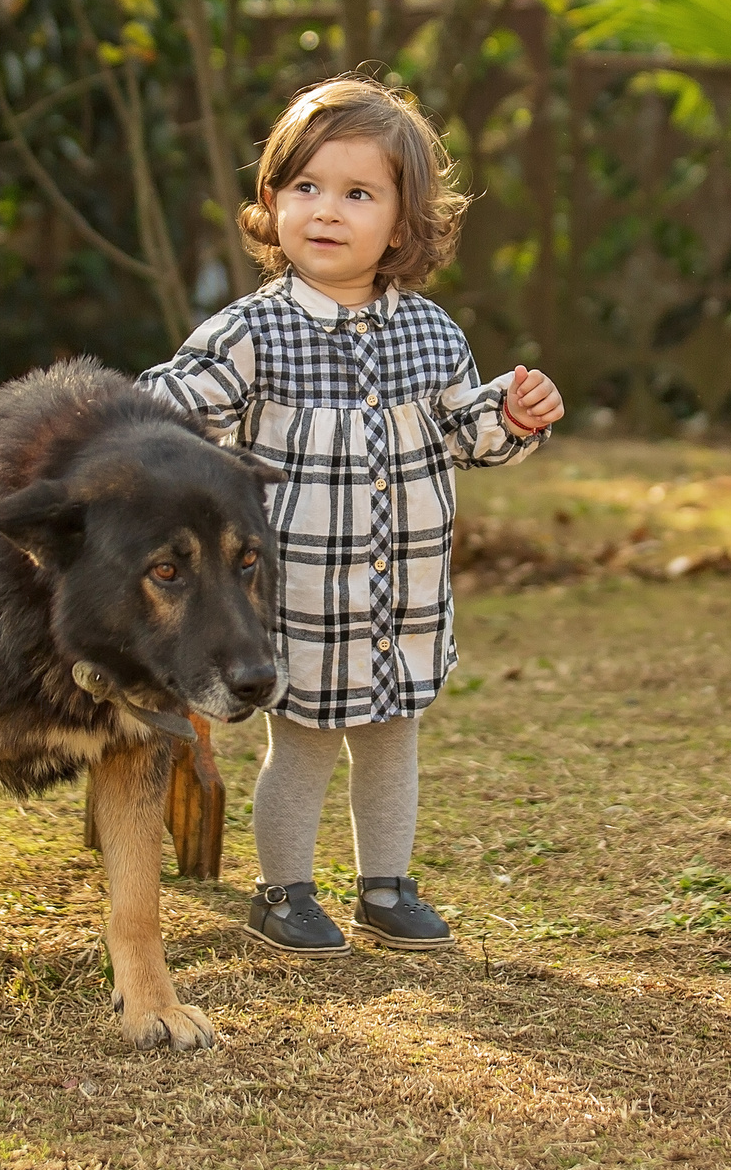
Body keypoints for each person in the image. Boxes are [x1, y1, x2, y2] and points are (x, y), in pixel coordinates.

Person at [139, 75, 564, 954]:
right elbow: (167, 409)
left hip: (403, 599)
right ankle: (283, 891)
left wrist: (513, 416)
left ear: (402, 225)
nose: (326, 210)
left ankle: (386, 885)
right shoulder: (252, 333)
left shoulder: (432, 335)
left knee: (390, 743)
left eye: (358, 193)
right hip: (294, 600)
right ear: (272, 202)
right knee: (301, 746)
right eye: (306, 186)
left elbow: (467, 433)